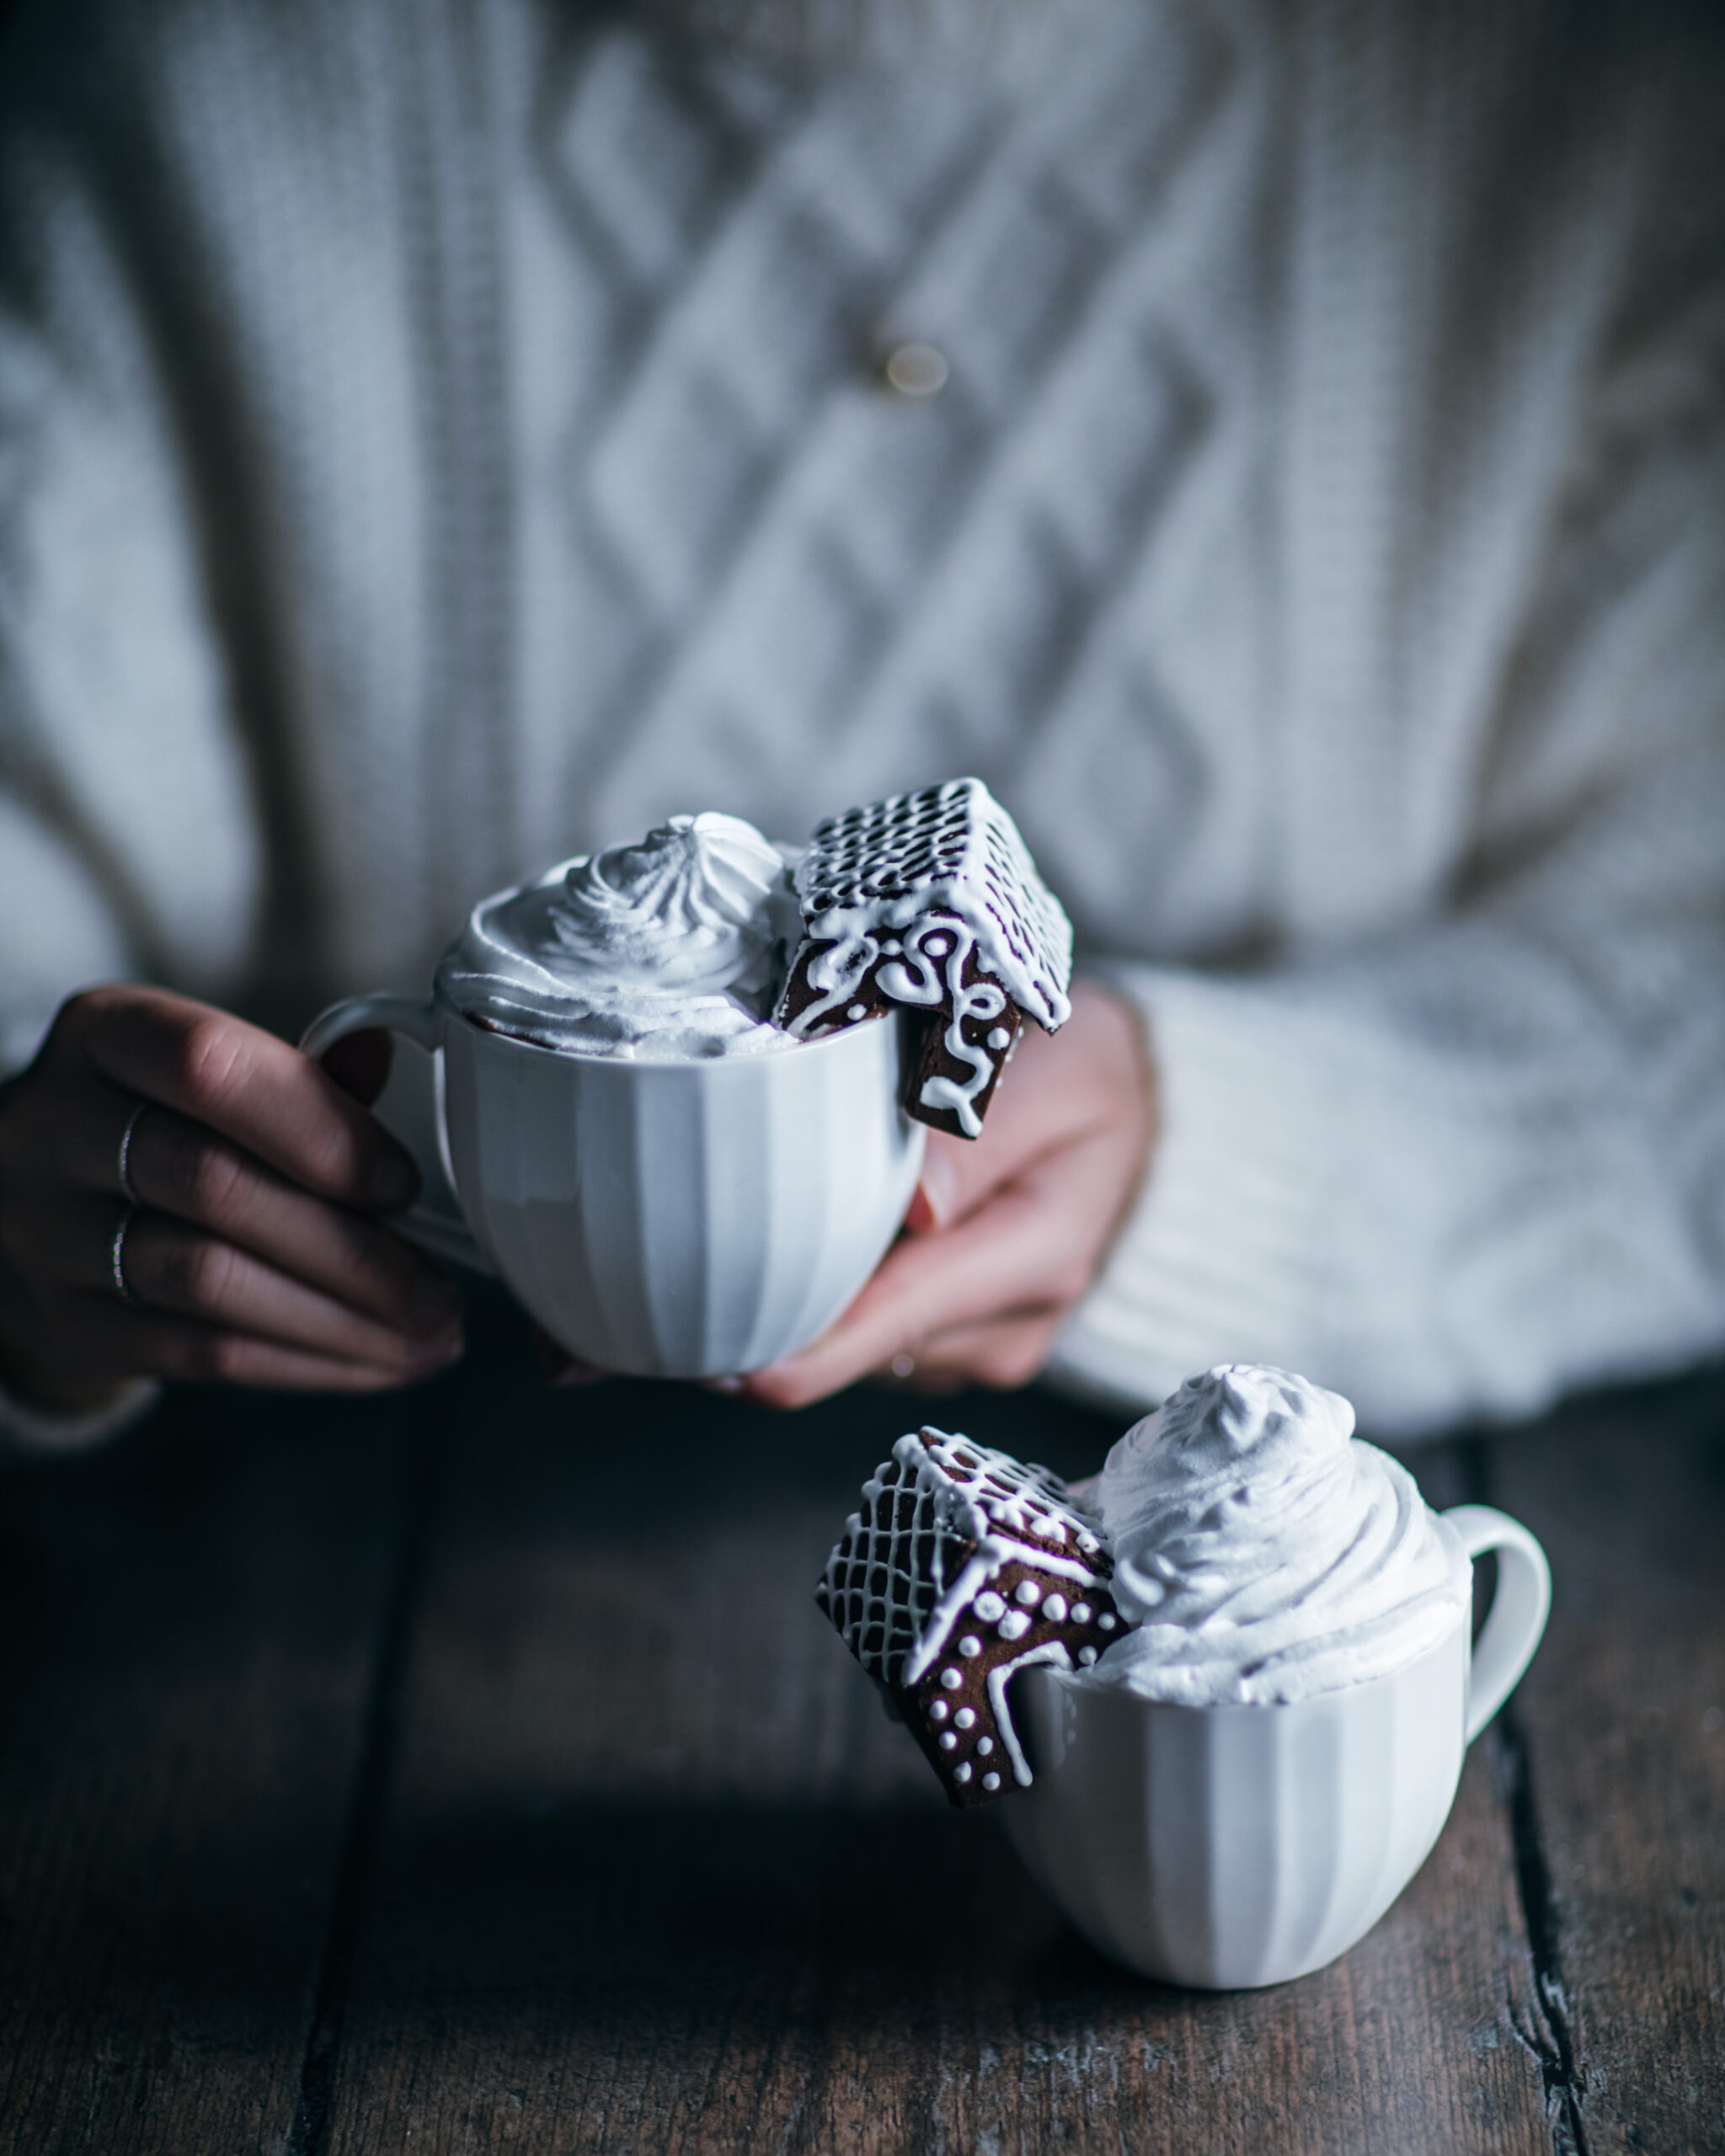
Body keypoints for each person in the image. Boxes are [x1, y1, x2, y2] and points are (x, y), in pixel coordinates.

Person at [2, 0, 1722, 1451]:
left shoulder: (1586, 83)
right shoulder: (183, 75)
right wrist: (40, 1190)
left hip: (1379, 1509)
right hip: (301, 1529)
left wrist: (1207, 1148)